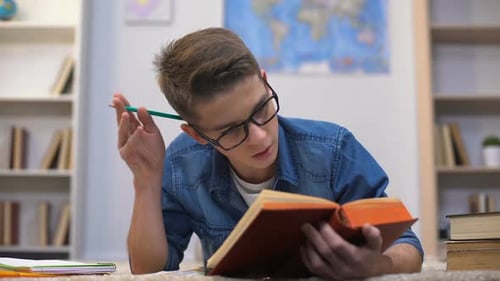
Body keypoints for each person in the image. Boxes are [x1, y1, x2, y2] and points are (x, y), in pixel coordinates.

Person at [112, 27, 423, 279]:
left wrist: (378, 267)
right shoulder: (183, 164)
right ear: (198, 135)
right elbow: (148, 271)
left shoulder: (334, 150)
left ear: (264, 80)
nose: (259, 137)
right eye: (232, 130)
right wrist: (146, 178)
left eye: (262, 108)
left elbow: (407, 246)